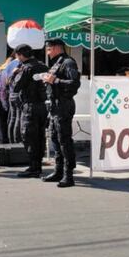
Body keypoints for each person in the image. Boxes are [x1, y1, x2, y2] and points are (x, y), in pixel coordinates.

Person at [43, 38, 81, 188]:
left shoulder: (68, 63)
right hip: (55, 106)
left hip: (64, 105)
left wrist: (56, 81)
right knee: (55, 138)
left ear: (57, 48)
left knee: (64, 140)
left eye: (49, 49)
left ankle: (68, 174)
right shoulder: (57, 63)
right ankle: (58, 171)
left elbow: (74, 84)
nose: (47, 52)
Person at [10, 44, 48, 178]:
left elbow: (15, 86)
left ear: (20, 55)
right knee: (40, 136)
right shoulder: (43, 66)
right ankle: (38, 165)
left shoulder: (26, 68)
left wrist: (14, 74)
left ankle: (34, 167)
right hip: (43, 105)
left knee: (28, 136)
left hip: (30, 106)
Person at [0, 52, 21, 144]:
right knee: (4, 119)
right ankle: (4, 140)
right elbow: (7, 82)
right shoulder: (9, 68)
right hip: (2, 95)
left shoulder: (1, 68)